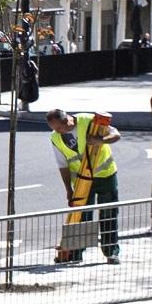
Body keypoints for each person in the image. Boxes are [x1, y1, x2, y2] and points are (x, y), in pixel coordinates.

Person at [46, 107, 122, 262]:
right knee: (82, 216)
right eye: (54, 129)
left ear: (67, 120)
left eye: (59, 127)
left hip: (105, 175)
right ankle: (76, 254)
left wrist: (101, 140)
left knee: (108, 213)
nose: (57, 131)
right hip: (81, 180)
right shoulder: (55, 138)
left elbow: (116, 135)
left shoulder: (88, 120)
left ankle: (111, 252)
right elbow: (63, 165)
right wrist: (68, 189)